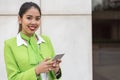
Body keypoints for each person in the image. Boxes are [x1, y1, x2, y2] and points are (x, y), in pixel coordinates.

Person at [4, 2, 62, 80]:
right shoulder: (10, 45)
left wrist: (56, 70)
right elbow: (13, 78)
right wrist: (36, 71)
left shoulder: (46, 40)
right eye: (29, 18)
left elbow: (56, 76)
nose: (34, 22)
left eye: (37, 18)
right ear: (20, 19)